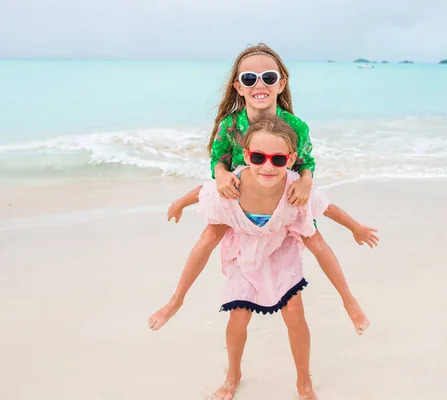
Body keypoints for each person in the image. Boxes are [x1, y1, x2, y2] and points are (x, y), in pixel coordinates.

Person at [149, 43, 375, 335]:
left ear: (280, 83)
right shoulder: (231, 125)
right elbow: (219, 159)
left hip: (286, 198)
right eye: (249, 79)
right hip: (240, 198)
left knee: (316, 241)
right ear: (238, 87)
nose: (259, 84)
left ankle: (349, 301)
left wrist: (305, 182)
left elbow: (306, 162)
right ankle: (176, 300)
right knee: (208, 237)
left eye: (268, 78)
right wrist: (220, 176)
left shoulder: (295, 125)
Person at [149, 116, 379, 400]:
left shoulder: (296, 189)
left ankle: (307, 376)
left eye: (278, 159)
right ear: (246, 156)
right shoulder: (232, 186)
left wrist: (356, 228)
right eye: (258, 157)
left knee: (298, 303)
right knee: (238, 315)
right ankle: (229, 372)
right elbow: (202, 191)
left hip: (280, 245)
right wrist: (178, 204)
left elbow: (328, 207)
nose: (268, 166)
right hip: (243, 248)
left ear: (291, 158)